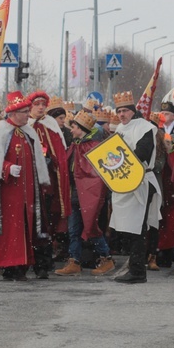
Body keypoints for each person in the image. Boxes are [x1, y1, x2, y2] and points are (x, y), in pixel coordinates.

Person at [0, 91, 51, 282]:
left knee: (23, 230)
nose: (28, 115)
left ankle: (18, 267)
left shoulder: (29, 134)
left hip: (26, 196)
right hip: (3, 195)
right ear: (13, 113)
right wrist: (5, 168)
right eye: (24, 112)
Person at [109, 91, 161, 284]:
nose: (121, 115)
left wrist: (124, 165)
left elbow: (141, 154)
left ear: (133, 111)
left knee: (137, 228)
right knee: (127, 229)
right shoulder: (120, 129)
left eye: (125, 111)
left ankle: (138, 271)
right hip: (124, 183)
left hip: (140, 182)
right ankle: (134, 267)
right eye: (119, 111)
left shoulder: (145, 128)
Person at [54, 111, 115, 276]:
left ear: (81, 128)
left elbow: (97, 175)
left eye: (73, 127)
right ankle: (74, 261)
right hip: (75, 193)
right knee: (74, 229)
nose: (71, 130)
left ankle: (106, 257)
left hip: (89, 195)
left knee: (91, 227)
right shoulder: (76, 145)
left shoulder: (94, 146)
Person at [28, 91, 70, 278]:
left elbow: (60, 156)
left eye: (43, 104)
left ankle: (43, 263)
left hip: (46, 185)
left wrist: (48, 160)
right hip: (26, 185)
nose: (41, 107)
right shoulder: (23, 126)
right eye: (37, 104)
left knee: (43, 225)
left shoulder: (51, 125)